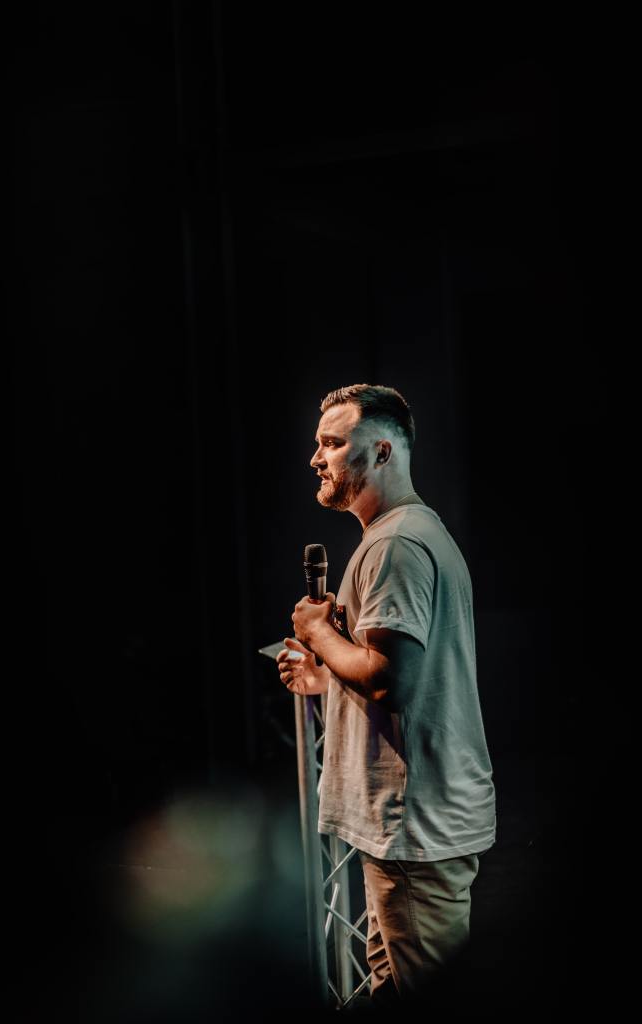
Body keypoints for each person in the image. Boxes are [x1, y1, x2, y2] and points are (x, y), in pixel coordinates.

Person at [277, 384, 496, 1009]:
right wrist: (326, 676)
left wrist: (318, 632)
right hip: (408, 831)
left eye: (331, 443)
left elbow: (389, 680)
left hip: (413, 830)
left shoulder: (395, 544)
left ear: (380, 452)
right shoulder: (407, 533)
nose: (316, 458)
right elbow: (408, 676)